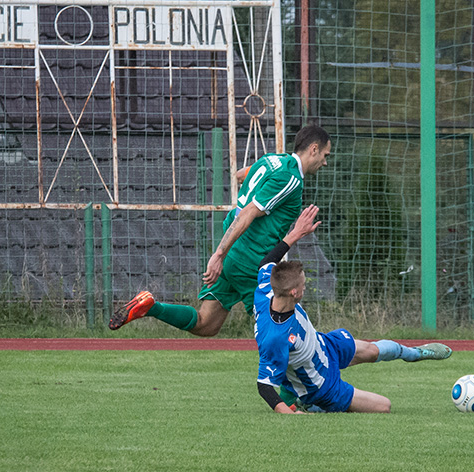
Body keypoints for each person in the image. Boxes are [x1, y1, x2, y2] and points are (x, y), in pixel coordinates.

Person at [109, 125, 332, 336]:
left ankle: (150, 306)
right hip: (250, 261)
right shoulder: (291, 179)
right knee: (282, 325)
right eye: (325, 155)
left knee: (206, 324)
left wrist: (224, 253)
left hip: (233, 252)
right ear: (313, 149)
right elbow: (249, 213)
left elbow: (241, 174)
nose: (325, 163)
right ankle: (292, 375)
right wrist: (218, 255)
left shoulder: (273, 160)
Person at [255, 205, 453, 414]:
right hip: (322, 387)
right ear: (294, 293)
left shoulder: (267, 288)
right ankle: (311, 404)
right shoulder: (274, 337)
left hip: (325, 345)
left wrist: (296, 233)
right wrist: (289, 414)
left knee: (372, 350)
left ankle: (415, 353)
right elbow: (265, 385)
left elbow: (266, 262)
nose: (306, 287)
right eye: (304, 286)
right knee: (384, 406)